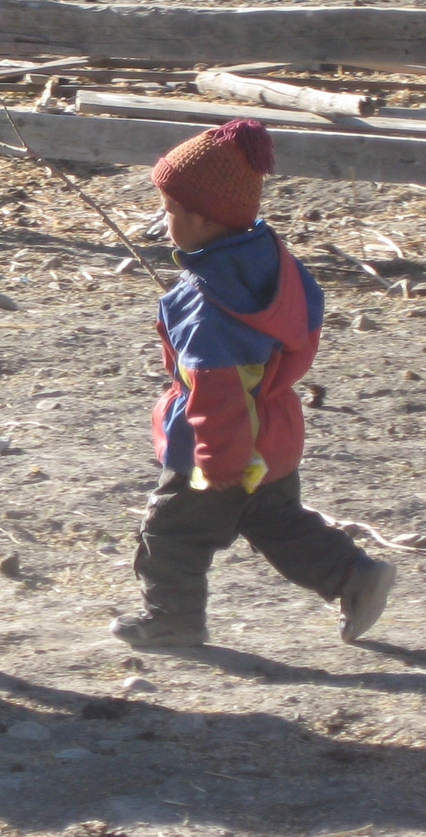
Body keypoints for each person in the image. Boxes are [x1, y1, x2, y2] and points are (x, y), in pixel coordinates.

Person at [112, 118, 396, 649]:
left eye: (171, 211)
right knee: (273, 519)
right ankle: (353, 576)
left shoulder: (206, 301)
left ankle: (172, 621)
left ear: (202, 218)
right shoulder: (271, 261)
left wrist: (217, 459)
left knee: (172, 533)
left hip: (223, 446)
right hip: (276, 428)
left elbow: (217, 388)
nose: (165, 220)